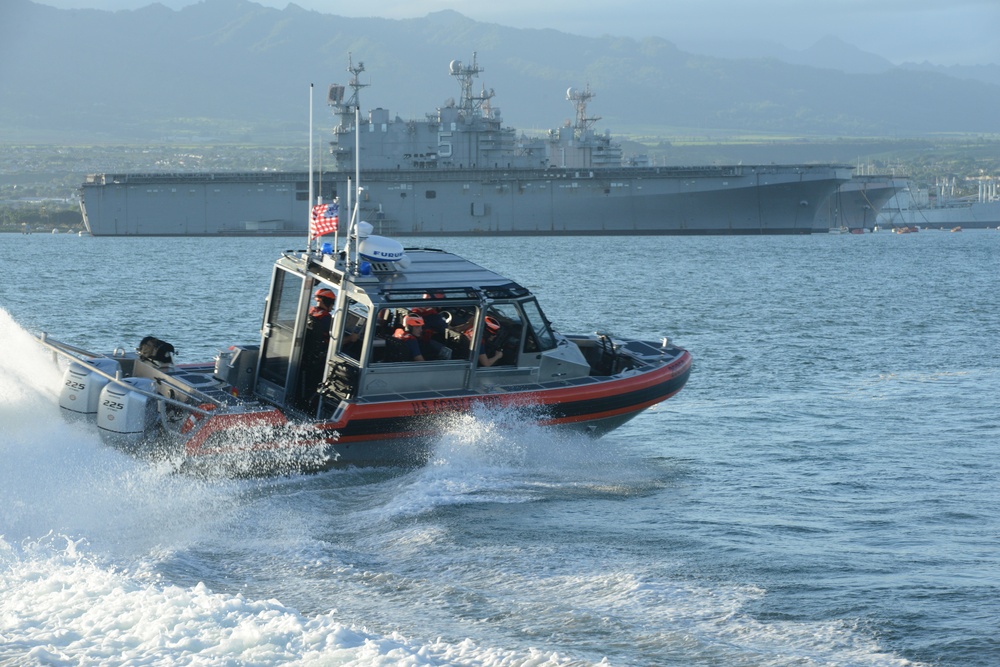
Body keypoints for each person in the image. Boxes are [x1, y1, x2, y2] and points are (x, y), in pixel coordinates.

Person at [299, 288, 336, 407]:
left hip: (305, 356)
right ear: (329, 302)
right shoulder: (326, 318)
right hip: (318, 360)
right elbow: (333, 341)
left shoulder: (309, 312)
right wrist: (351, 339)